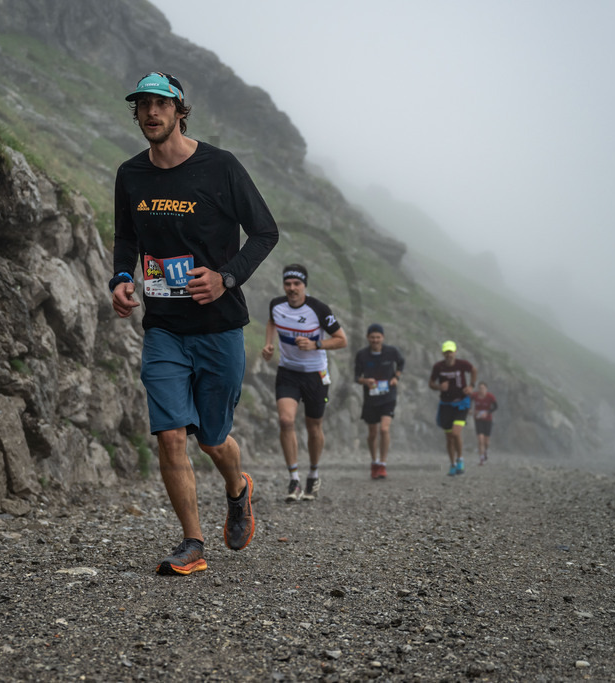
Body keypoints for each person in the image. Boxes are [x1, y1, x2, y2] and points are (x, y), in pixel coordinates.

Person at [110, 72, 278, 576]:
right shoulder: (130, 174)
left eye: (161, 104)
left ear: (180, 111)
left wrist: (226, 277)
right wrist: (122, 278)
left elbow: (265, 232)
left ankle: (237, 488)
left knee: (212, 438)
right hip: (164, 327)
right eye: (143, 105)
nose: (151, 113)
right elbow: (126, 238)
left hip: (219, 326)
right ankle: (192, 543)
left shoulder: (220, 166)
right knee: (170, 435)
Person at [261, 264, 347, 502]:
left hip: (315, 375)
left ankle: (313, 474)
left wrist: (316, 344)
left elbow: (342, 340)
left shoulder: (319, 309)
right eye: (288, 283)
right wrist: (268, 344)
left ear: (304, 286)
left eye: (296, 284)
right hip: (288, 372)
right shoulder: (276, 305)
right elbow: (271, 322)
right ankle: (294, 479)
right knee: (285, 420)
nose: (292, 288)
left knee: (313, 426)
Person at [354, 323, 405, 479]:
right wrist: (366, 381)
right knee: (372, 433)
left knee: (384, 429)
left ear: (383, 337)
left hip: (388, 396)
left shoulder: (392, 351)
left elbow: (401, 363)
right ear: (367, 338)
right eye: (372, 337)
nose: (375, 340)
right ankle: (374, 461)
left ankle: (383, 464)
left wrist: (396, 377)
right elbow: (356, 377)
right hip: (371, 398)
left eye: (378, 337)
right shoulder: (362, 355)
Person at [429, 340, 477, 476]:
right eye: (446, 352)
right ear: (442, 353)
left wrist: (471, 386)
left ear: (455, 352)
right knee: (449, 437)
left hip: (462, 403)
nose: (448, 354)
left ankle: (460, 459)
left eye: (451, 352)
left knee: (456, 433)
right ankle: (452, 464)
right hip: (446, 405)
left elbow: (473, 370)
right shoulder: (438, 367)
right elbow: (431, 383)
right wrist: (439, 387)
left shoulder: (462, 364)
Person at [471, 382, 498, 464]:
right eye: (480, 388)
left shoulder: (490, 396)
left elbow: (496, 407)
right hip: (478, 419)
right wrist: (470, 410)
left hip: (488, 420)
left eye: (483, 388)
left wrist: (487, 412)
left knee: (486, 442)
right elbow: (468, 401)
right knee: (480, 439)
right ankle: (481, 458)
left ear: (486, 389)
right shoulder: (475, 395)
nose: (481, 390)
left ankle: (485, 451)